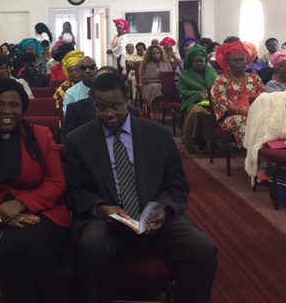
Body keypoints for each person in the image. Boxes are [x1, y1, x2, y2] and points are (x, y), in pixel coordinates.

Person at [63, 73, 216, 303]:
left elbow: (177, 183)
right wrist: (101, 208)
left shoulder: (158, 134)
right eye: (101, 108)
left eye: (115, 106)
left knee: (201, 248)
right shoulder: (78, 140)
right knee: (93, 247)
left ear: (128, 100)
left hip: (155, 217)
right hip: (105, 220)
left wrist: (163, 209)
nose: (109, 114)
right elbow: (75, 191)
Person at [0, 79, 71, 303]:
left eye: (14, 104)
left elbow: (56, 183)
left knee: (29, 248)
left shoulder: (42, 136)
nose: (7, 111)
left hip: (41, 213)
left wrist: (21, 205)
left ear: (23, 108)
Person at [61, 67, 140, 143]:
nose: (109, 114)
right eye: (101, 82)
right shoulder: (75, 110)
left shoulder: (133, 113)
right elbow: (67, 143)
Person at [210, 41, 265, 147]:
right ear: (228, 63)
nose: (238, 62)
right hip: (232, 117)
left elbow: (264, 98)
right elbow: (222, 103)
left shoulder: (255, 78)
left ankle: (267, 153)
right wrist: (244, 112)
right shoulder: (221, 80)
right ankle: (253, 153)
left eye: (241, 59)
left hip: (256, 113)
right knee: (241, 121)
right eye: (234, 60)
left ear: (247, 61)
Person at [178, 46, 219, 153]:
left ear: (205, 61)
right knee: (199, 112)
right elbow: (184, 92)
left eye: (201, 61)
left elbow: (219, 88)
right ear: (191, 62)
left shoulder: (212, 73)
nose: (199, 63)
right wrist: (199, 94)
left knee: (216, 112)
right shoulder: (185, 76)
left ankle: (214, 141)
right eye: (196, 61)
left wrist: (209, 94)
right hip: (193, 101)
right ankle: (201, 142)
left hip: (212, 101)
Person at [139, 44, 171, 118]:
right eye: (153, 54)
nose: (156, 55)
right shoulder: (146, 64)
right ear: (150, 55)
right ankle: (156, 111)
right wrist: (158, 81)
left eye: (157, 53)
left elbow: (169, 75)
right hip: (149, 85)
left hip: (164, 84)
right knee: (156, 87)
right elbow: (145, 79)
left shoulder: (165, 62)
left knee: (160, 87)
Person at [53, 50, 83, 114]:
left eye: (77, 70)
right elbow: (57, 108)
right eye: (71, 71)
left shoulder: (89, 84)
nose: (74, 73)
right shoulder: (62, 89)